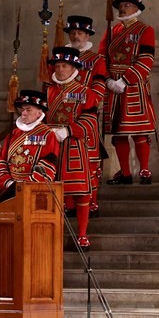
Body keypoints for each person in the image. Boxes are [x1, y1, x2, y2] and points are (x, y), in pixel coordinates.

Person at [99, 0, 157, 185]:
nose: (122, 9)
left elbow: (146, 60)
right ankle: (124, 172)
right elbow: (101, 58)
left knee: (139, 132)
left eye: (127, 5)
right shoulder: (111, 31)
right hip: (113, 86)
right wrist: (107, 80)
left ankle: (145, 171)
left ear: (136, 7)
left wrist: (125, 81)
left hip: (133, 86)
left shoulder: (145, 30)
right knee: (119, 133)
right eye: (121, 5)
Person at [46, 46, 100, 250]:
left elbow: (90, 122)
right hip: (51, 147)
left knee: (80, 192)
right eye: (58, 65)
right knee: (52, 192)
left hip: (74, 147)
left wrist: (68, 130)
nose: (60, 69)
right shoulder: (48, 91)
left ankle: (83, 234)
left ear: (73, 68)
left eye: (64, 66)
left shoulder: (85, 92)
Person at [64, 15, 107, 216]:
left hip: (85, 117)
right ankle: (69, 204)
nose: (75, 36)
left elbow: (98, 91)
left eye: (79, 32)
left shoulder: (96, 60)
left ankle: (91, 203)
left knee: (89, 162)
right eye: (72, 32)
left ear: (87, 34)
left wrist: (77, 99)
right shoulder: (60, 59)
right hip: (62, 119)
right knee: (65, 163)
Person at [0, 90, 59, 203]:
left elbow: (48, 166)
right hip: (9, 191)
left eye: (28, 110)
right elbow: (1, 162)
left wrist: (26, 187)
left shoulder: (48, 135)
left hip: (35, 193)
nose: (24, 113)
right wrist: (9, 183)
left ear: (39, 113)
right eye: (23, 110)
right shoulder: (13, 134)